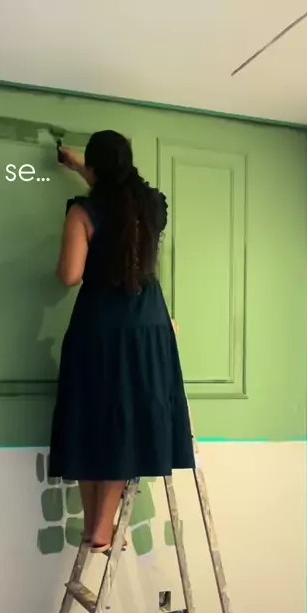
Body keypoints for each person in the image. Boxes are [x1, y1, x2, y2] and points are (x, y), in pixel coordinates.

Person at [48, 130, 194, 554]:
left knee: (88, 416)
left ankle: (95, 526)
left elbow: (70, 275)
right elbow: (117, 195)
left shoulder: (83, 212)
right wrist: (79, 165)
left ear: (95, 168)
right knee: (125, 418)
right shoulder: (151, 206)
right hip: (147, 322)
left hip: (99, 325)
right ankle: (101, 526)